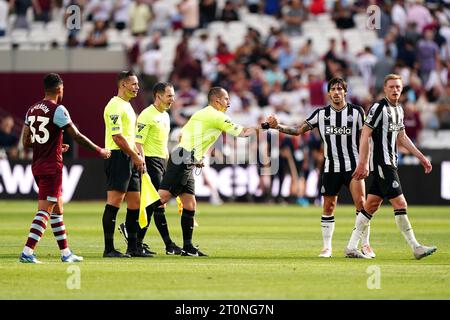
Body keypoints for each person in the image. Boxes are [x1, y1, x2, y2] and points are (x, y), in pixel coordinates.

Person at [148, 87, 267, 256]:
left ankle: (187, 247)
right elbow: (243, 132)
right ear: (217, 100)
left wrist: (197, 155)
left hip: (186, 157)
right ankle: (132, 226)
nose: (229, 102)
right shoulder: (217, 116)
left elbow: (182, 135)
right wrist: (266, 125)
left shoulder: (201, 113)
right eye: (226, 99)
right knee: (162, 198)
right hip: (184, 159)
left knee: (190, 204)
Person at [267, 77, 374, 258]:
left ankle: (365, 244)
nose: (337, 92)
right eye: (333, 89)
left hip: (353, 166)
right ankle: (327, 247)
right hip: (331, 166)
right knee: (328, 206)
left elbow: (367, 138)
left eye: (340, 89)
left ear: (345, 92)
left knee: (361, 204)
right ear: (329, 93)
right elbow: (298, 130)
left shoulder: (357, 112)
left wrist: (365, 162)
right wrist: (278, 127)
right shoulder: (321, 114)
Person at [19, 73, 111, 264]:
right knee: (45, 210)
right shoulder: (58, 110)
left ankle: (65, 253)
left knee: (57, 210)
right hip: (52, 167)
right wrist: (98, 150)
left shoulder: (32, 109)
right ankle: (27, 252)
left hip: (37, 164)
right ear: (60, 89)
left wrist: (54, 146)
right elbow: (76, 135)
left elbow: (26, 142)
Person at [350, 74, 437, 260]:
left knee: (371, 205)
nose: (395, 90)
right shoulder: (378, 108)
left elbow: (402, 137)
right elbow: (365, 134)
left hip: (391, 164)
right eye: (391, 87)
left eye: (398, 86)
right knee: (401, 203)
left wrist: (421, 157)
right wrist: (363, 162)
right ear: (385, 88)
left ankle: (351, 247)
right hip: (383, 165)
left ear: (402, 88)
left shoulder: (399, 109)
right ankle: (415, 246)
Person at [118, 82, 182, 255]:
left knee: (156, 204)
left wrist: (168, 160)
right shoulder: (147, 115)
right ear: (158, 96)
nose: (172, 99)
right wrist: (142, 162)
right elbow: (138, 142)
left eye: (173, 95)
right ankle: (164, 244)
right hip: (150, 162)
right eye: (169, 95)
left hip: (161, 162)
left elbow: (162, 143)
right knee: (157, 202)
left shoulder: (165, 116)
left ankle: (136, 238)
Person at [102, 70, 149, 258]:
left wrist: (138, 155)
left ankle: (133, 247)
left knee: (135, 203)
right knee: (114, 202)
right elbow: (117, 137)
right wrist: (134, 155)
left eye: (137, 84)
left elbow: (129, 137)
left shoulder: (128, 106)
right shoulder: (114, 106)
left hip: (130, 157)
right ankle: (109, 248)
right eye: (134, 84)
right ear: (123, 85)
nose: (137, 87)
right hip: (118, 156)